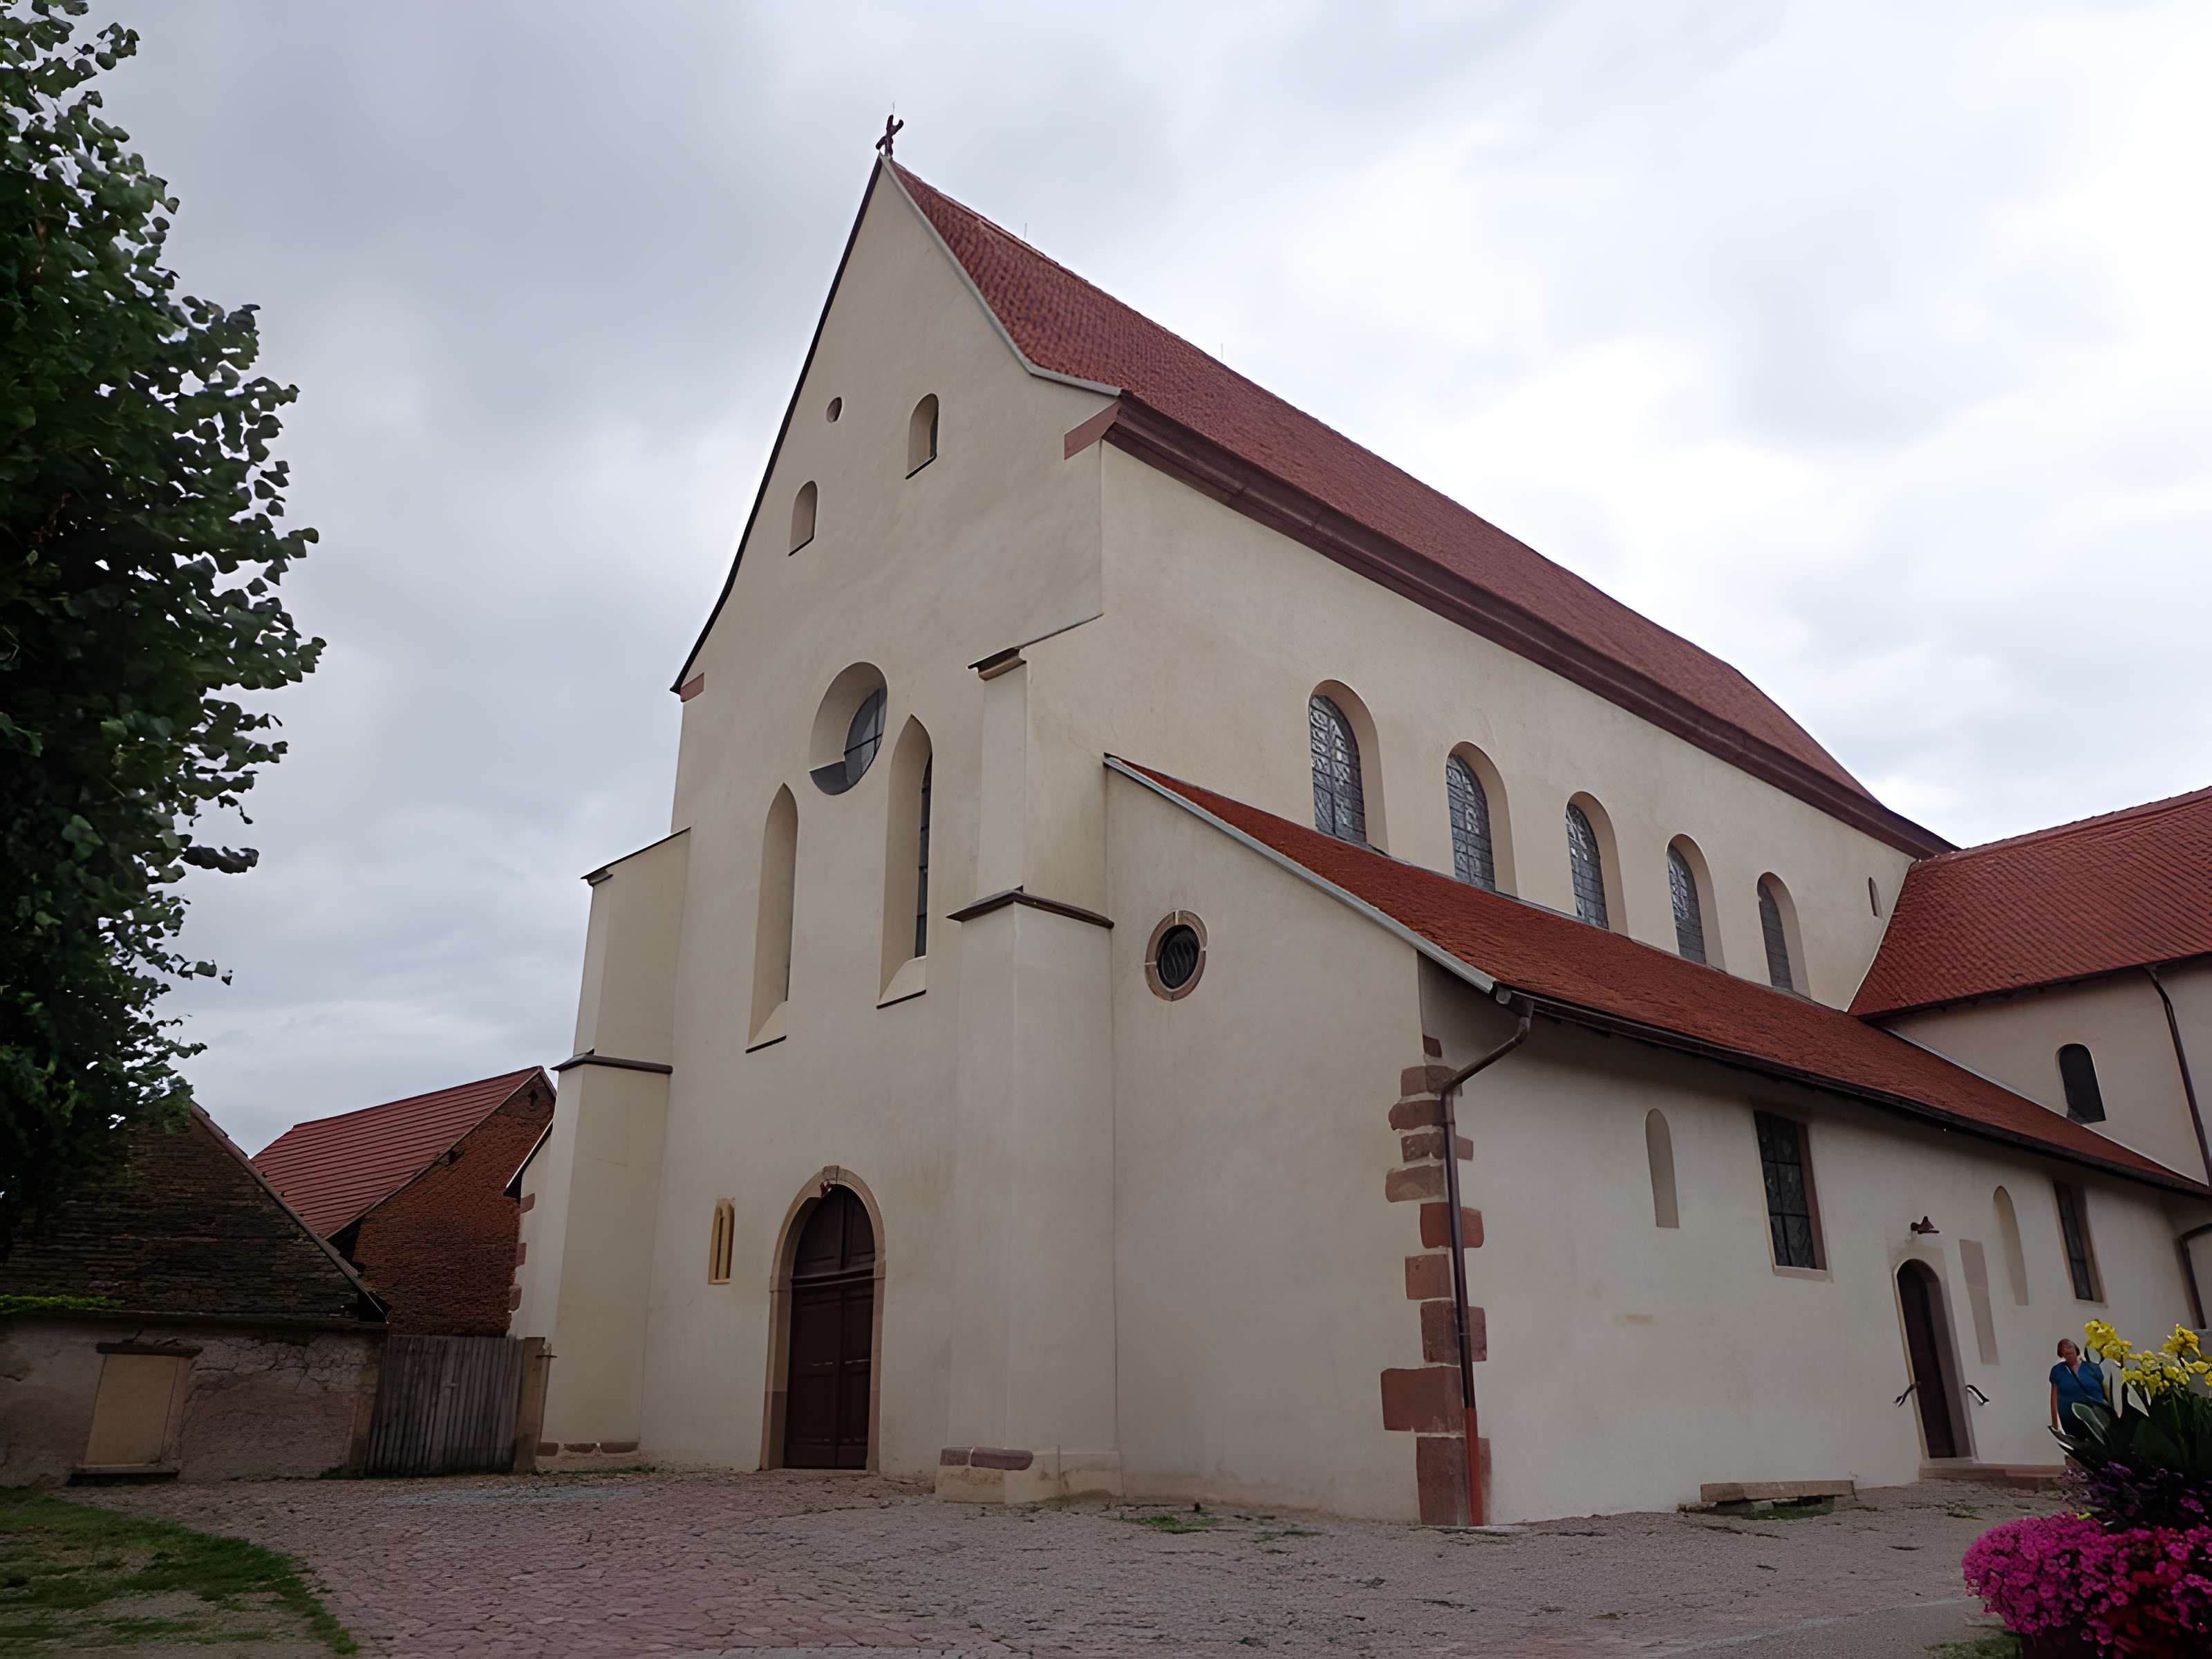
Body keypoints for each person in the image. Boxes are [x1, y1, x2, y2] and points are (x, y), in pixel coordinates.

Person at [2050, 1338, 2108, 1439]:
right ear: (2062, 1355)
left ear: (2076, 1349)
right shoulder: (2058, 1371)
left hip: (2099, 1421)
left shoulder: (2093, 1368)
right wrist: (2056, 1427)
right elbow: (2054, 1399)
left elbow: (2107, 1392)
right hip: (2071, 1424)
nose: (2068, 1350)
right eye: (2064, 1350)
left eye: (2069, 1347)